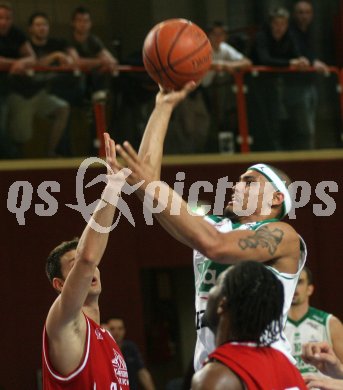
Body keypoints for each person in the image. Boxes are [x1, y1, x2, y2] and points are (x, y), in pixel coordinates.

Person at [113, 82, 307, 371]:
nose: (236, 184)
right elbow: (147, 184)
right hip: (213, 366)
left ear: (276, 198)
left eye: (249, 181)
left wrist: (149, 183)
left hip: (263, 368)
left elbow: (215, 246)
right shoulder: (213, 225)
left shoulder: (282, 236)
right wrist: (163, 107)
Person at [42, 133, 130, 389]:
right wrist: (113, 187)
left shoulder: (107, 338)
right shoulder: (63, 321)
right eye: (74, 266)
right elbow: (88, 257)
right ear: (59, 284)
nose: (90, 269)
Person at [191, 261, 307, 389]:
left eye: (216, 285)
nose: (209, 292)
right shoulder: (288, 366)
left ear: (222, 305)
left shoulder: (216, 377)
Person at [7, 12, 74, 157]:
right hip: (22, 95)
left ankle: (50, 152)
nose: (41, 28)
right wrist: (55, 56)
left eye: (44, 25)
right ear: (30, 28)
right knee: (21, 137)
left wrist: (68, 59)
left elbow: (72, 59)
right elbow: (33, 63)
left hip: (40, 94)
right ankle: (17, 163)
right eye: (38, 25)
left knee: (62, 108)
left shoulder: (56, 43)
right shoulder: (24, 45)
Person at [249, 7, 310, 151]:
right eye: (276, 24)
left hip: (279, 85)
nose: (279, 28)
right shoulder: (261, 36)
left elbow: (296, 55)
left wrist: (302, 60)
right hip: (257, 86)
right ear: (271, 24)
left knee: (281, 118)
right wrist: (290, 63)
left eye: (283, 24)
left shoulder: (290, 36)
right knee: (264, 121)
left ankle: (284, 149)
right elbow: (265, 59)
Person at [201, 21, 251, 152]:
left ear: (224, 36)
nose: (218, 37)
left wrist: (227, 65)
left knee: (214, 123)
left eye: (221, 34)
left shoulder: (224, 48)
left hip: (213, 92)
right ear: (208, 35)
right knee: (197, 127)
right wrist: (217, 65)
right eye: (214, 34)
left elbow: (246, 62)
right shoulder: (201, 47)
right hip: (194, 92)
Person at [286, 0, 329, 150]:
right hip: (294, 85)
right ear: (294, 14)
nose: (304, 16)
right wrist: (312, 62)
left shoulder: (310, 32)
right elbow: (298, 52)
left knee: (310, 124)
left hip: (310, 84)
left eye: (307, 12)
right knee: (304, 128)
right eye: (300, 12)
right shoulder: (290, 32)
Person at [285, 266, 343, 375]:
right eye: (291, 281)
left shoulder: (330, 323)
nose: (294, 286)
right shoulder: (272, 327)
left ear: (309, 289)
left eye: (299, 282)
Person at [0, 1, 35, 158]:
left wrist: (22, 62)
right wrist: (15, 62)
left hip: (11, 89)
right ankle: (15, 157)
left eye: (8, 18)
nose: (4, 22)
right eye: (1, 18)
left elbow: (32, 58)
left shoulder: (16, 33)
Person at [107, 317, 155, 390]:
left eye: (120, 329)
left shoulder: (130, 347)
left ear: (124, 331)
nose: (116, 332)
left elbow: (142, 372)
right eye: (112, 329)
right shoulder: (101, 348)